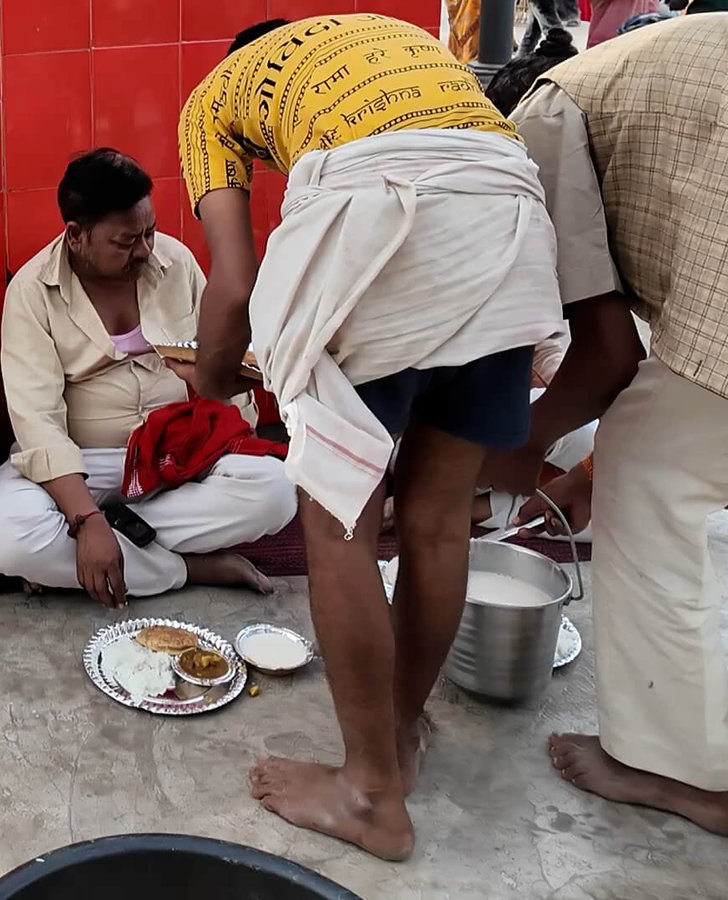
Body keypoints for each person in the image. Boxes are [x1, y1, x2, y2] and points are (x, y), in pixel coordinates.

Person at [178, 15, 563, 859]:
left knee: (339, 522)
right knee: (438, 520)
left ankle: (369, 796)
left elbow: (234, 285)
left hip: (380, 220)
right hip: (509, 226)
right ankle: (398, 732)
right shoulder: (386, 36)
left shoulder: (214, 99)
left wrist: (211, 383)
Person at [494, 12, 728, 835]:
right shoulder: (619, 79)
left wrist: (518, 444)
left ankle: (683, 773)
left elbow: (608, 355)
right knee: (655, 449)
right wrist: (585, 475)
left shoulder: (538, 124)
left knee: (651, 471)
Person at [0, 149, 295, 607]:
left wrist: (235, 429)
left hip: (176, 456)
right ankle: (187, 568)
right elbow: (37, 424)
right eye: (126, 241)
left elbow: (223, 360)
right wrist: (84, 516)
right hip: (83, 462)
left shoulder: (175, 262)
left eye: (149, 232)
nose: (144, 250)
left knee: (276, 492)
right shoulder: (32, 291)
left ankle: (100, 546)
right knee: (0, 535)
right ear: (76, 235)